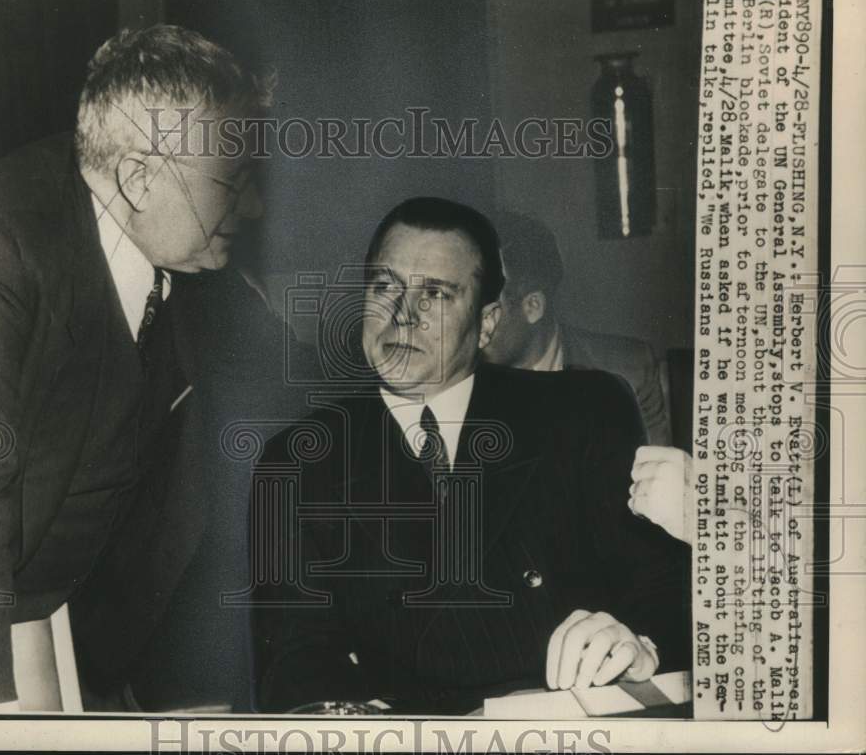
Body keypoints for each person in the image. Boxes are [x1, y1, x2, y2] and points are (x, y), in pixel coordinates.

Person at [251, 197, 690, 714]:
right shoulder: (302, 459)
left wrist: (640, 649)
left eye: (435, 294)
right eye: (385, 287)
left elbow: (661, 595)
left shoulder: (583, 412)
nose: (402, 317)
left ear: (486, 324)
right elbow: (294, 664)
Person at [0, 24, 272, 709]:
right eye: (232, 180)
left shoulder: (200, 277)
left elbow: (302, 379)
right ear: (138, 178)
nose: (253, 205)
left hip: (74, 635)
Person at [482, 214, 673, 446]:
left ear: (533, 306)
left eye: (487, 310)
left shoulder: (629, 371)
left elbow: (654, 466)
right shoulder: (456, 377)